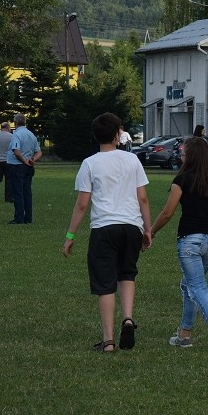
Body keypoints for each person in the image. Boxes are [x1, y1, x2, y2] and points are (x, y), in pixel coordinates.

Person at [62, 113, 153, 353]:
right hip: (132, 226)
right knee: (127, 274)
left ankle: (109, 340)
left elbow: (82, 204)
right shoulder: (132, 160)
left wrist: (70, 236)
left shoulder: (90, 163)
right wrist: (147, 228)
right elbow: (142, 197)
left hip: (104, 228)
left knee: (105, 284)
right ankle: (128, 319)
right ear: (117, 135)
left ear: (95, 136)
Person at [150, 136, 208, 351]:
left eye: (183, 152)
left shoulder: (181, 180)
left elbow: (168, 212)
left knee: (197, 287)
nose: (180, 155)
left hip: (190, 241)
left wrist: (151, 231)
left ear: (192, 156)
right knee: (188, 284)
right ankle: (184, 335)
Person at [7, 114, 43, 224]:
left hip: (17, 166)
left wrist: (24, 161)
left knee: (18, 193)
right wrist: (32, 160)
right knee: (27, 192)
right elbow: (39, 152)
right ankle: (28, 217)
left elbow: (16, 151)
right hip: (29, 167)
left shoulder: (16, 135)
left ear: (15, 123)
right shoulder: (31, 134)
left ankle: (19, 218)